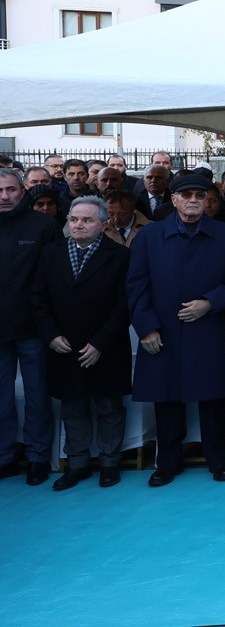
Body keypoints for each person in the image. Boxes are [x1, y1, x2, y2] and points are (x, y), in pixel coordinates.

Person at [126, 174, 225, 486]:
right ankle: (167, 463)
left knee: (214, 400)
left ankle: (219, 460)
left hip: (207, 327)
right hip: (162, 330)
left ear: (208, 200)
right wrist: (146, 328)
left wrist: (210, 302)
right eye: (187, 195)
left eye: (200, 195)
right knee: (166, 400)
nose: (194, 200)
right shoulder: (150, 236)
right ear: (174, 199)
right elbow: (136, 286)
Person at [32, 197, 132, 489]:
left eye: (87, 220)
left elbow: (123, 305)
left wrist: (100, 342)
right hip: (64, 344)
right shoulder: (51, 253)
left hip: (106, 345)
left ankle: (110, 462)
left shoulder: (120, 256)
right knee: (73, 406)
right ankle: (78, 463)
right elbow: (38, 299)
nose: (78, 224)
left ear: (104, 224)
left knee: (109, 406)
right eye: (74, 219)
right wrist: (50, 335)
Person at [0, 170, 65, 485]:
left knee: (38, 397)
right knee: (0, 399)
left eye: (11, 189)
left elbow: (56, 277)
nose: (4, 196)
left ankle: (39, 456)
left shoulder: (43, 225)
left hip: (34, 328)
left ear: (22, 190)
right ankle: (5, 456)